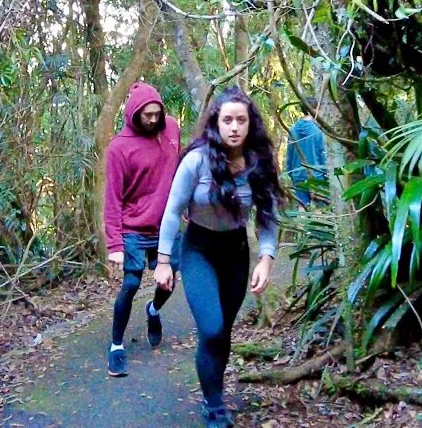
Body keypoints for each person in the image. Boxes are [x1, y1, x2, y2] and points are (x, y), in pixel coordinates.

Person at [154, 86, 283, 428]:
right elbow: (172, 210)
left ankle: (215, 393)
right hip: (198, 249)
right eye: (227, 120)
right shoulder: (196, 161)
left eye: (241, 120)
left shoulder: (259, 163)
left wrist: (266, 259)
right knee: (211, 328)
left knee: (223, 332)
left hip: (236, 252)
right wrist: (164, 261)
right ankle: (213, 408)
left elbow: (268, 218)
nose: (234, 127)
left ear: (249, 123)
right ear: (217, 123)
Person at [103, 81, 182, 378]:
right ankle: (116, 346)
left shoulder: (172, 130)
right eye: (146, 115)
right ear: (134, 113)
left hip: (166, 225)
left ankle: (153, 311)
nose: (152, 120)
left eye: (156, 114)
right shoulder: (119, 148)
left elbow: (180, 169)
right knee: (131, 283)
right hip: (133, 227)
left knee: (169, 279)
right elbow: (112, 198)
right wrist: (115, 245)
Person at [283, 116, 328, 207]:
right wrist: (326, 174)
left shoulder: (292, 130)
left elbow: (289, 154)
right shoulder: (317, 131)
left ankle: (301, 221)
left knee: (303, 207)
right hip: (317, 177)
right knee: (320, 210)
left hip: (297, 175)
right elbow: (322, 155)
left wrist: (290, 173)